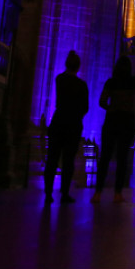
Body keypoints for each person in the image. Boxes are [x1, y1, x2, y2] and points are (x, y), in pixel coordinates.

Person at [91, 55, 135, 203]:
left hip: (112, 121)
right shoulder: (132, 82)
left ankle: (98, 192)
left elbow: (102, 101)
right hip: (126, 122)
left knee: (105, 156)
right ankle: (118, 193)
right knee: (122, 158)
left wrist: (112, 108)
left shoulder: (111, 82)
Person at [44, 50, 89, 203]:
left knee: (52, 158)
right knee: (68, 160)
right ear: (78, 67)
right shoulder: (81, 85)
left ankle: (48, 193)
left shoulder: (59, 79)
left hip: (59, 121)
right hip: (73, 124)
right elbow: (85, 107)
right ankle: (64, 193)